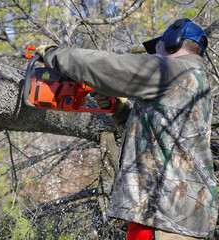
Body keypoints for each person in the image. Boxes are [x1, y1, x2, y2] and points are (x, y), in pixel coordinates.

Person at [35, 18, 218, 239]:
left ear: (172, 42)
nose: (153, 55)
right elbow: (159, 139)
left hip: (162, 216)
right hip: (175, 215)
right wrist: (120, 110)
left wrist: (55, 54)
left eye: (157, 47)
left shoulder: (173, 70)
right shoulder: (194, 80)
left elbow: (108, 66)